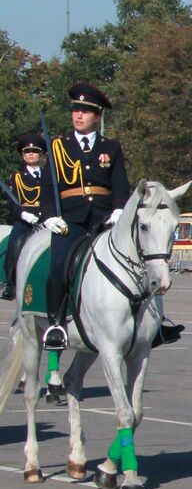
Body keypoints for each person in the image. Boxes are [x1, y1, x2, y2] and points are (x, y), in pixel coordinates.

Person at [39, 83, 133, 352]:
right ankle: (56, 324)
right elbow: (47, 188)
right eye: (75, 110)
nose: (78, 115)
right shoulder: (57, 147)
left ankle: (152, 323)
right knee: (58, 265)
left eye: (85, 111)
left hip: (104, 219)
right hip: (71, 221)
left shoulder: (110, 148)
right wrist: (49, 217)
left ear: (98, 115)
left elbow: (120, 184)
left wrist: (118, 210)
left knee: (135, 263)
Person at [2, 133, 50, 301]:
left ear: (41, 154)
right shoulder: (16, 177)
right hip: (25, 218)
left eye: (34, 151)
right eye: (27, 151)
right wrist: (24, 215)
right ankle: (10, 283)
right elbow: (12, 202)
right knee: (13, 245)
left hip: (46, 218)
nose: (31, 154)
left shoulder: (48, 175)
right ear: (23, 155)